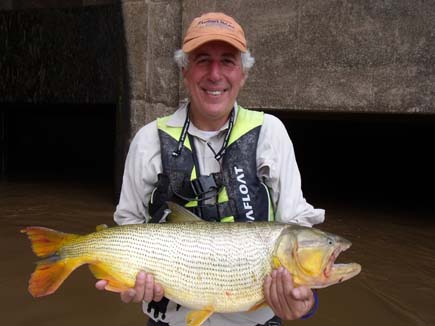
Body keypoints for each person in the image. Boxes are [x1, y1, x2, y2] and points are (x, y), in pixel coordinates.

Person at [96, 12, 325, 326]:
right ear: (184, 70)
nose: (215, 74)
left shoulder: (271, 133)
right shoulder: (147, 140)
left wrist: (305, 301)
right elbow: (128, 227)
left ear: (243, 73)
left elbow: (296, 233)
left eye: (228, 61)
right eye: (203, 60)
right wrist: (126, 278)